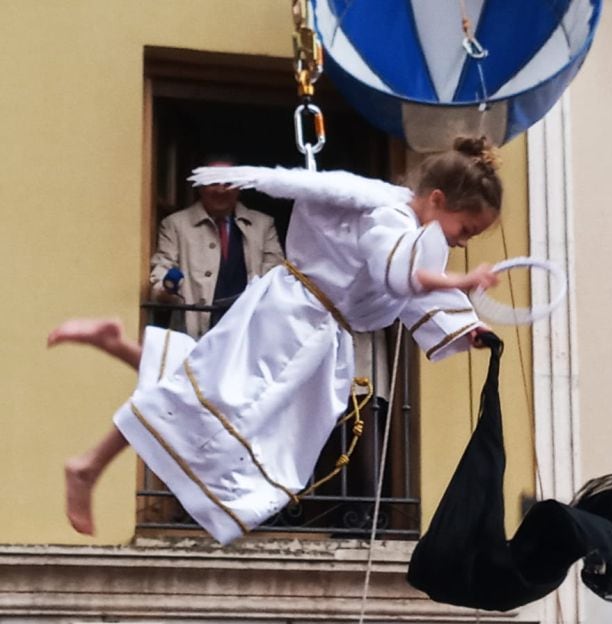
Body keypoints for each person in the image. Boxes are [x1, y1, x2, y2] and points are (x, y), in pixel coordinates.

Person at [48, 137, 502, 542]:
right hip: (295, 323)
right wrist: (461, 282)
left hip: (307, 328)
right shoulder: (390, 218)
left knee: (204, 389)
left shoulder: (407, 228)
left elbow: (407, 289)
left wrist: (466, 328)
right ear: (438, 199)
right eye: (465, 230)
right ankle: (88, 465)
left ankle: (116, 348)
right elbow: (400, 274)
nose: (462, 243)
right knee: (207, 402)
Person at [149, 154, 285, 338]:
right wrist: (166, 290)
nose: (221, 190)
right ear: (200, 187)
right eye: (213, 183)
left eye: (228, 183)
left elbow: (275, 277)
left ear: (239, 188)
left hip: (246, 333)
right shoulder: (175, 225)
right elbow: (161, 273)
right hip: (195, 335)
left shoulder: (263, 225)